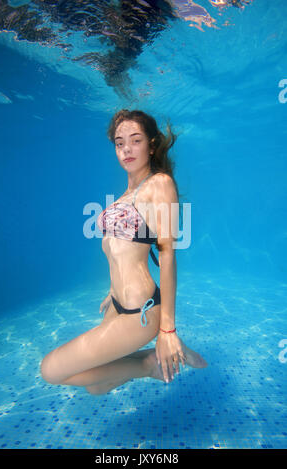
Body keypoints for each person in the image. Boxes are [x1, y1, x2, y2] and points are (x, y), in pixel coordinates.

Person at [40, 109, 207, 395]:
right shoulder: (123, 197)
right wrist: (113, 286)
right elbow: (120, 249)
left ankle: (148, 365)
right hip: (117, 303)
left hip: (139, 311)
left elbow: (167, 255)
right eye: (119, 143)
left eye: (136, 140)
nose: (126, 149)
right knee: (96, 387)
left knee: (51, 370)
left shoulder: (160, 184)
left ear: (152, 145)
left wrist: (168, 330)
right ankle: (147, 362)